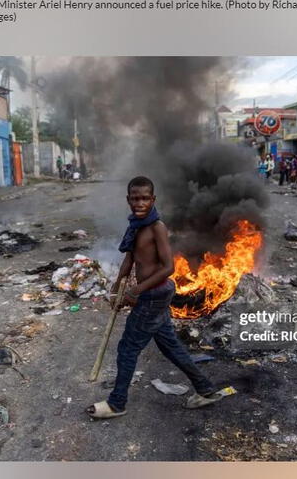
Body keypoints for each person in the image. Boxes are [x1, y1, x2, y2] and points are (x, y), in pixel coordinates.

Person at [87, 176, 218, 419]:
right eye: (135, 198)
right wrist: (117, 288)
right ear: (128, 200)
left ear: (153, 199)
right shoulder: (135, 225)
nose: (140, 203)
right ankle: (206, 389)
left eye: (145, 198)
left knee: (127, 349)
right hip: (153, 294)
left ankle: (117, 403)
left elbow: (169, 268)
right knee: (170, 346)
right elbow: (130, 258)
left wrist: (135, 291)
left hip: (153, 295)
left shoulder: (156, 227)